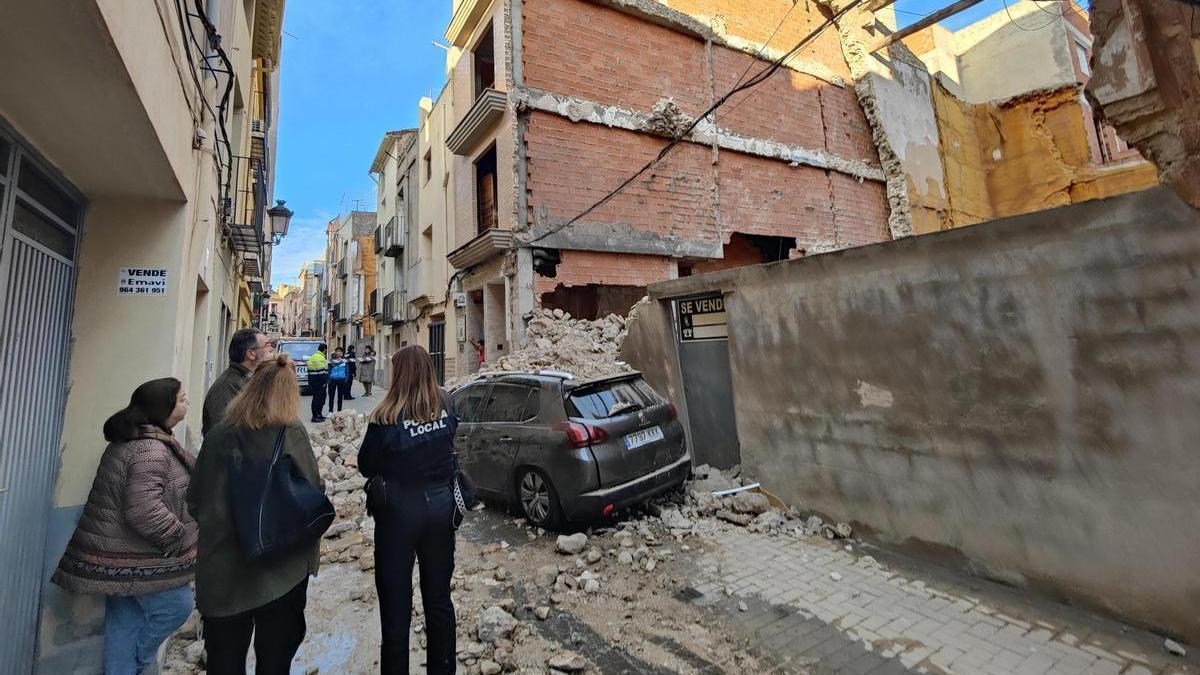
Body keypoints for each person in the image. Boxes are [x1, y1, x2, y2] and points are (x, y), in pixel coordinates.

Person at [187, 355, 323, 675]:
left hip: (223, 574)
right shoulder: (290, 432)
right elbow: (313, 490)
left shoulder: (219, 435)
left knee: (224, 661)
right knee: (275, 660)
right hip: (281, 571)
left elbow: (194, 501)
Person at [53, 378, 196, 675]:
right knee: (178, 605)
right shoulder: (150, 449)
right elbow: (143, 509)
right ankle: (140, 660)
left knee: (124, 621)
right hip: (135, 558)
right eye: (182, 399)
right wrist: (178, 539)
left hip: (118, 556)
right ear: (163, 408)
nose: (187, 403)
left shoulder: (140, 439)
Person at [358, 346, 471, 674]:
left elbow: (366, 465)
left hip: (397, 517)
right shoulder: (446, 405)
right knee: (439, 602)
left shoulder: (385, 417)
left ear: (399, 375)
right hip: (440, 511)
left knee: (395, 612)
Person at [203, 329, 275, 435]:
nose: (271, 349)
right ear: (251, 354)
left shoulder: (250, 381)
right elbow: (221, 435)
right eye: (266, 345)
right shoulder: (225, 388)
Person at [306, 343, 328, 423]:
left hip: (314, 381)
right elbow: (321, 371)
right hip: (319, 382)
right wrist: (324, 382)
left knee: (320, 398)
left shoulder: (314, 356)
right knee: (317, 399)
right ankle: (315, 416)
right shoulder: (319, 357)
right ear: (325, 350)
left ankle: (319, 414)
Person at [327, 348, 348, 415]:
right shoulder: (331, 361)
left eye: (340, 351)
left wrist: (346, 379)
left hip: (341, 380)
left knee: (340, 396)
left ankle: (339, 411)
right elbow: (328, 370)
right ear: (335, 353)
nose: (338, 353)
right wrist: (329, 380)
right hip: (332, 380)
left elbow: (347, 371)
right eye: (337, 351)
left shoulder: (344, 361)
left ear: (342, 353)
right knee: (331, 396)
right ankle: (330, 411)